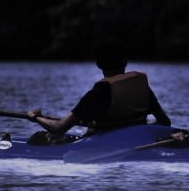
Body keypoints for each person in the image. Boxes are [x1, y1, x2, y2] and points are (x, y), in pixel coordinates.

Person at [27, 37, 171, 144]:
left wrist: (35, 117)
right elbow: (164, 122)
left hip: (100, 144)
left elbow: (58, 128)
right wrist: (140, 129)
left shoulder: (98, 93)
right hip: (137, 140)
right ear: (125, 61)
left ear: (98, 64)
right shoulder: (141, 87)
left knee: (39, 137)